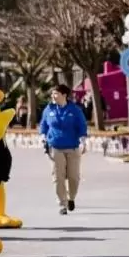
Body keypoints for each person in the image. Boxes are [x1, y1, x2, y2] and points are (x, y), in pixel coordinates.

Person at [38, 84, 89, 215]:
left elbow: (82, 126)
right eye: (52, 94)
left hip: (72, 147)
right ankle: (62, 203)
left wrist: (83, 141)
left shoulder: (75, 110)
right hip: (55, 147)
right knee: (58, 177)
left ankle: (71, 198)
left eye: (55, 94)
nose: (53, 96)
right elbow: (43, 125)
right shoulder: (49, 109)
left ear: (64, 95)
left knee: (74, 177)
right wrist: (43, 137)